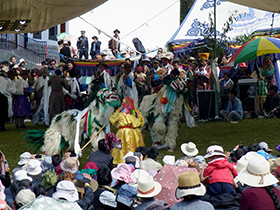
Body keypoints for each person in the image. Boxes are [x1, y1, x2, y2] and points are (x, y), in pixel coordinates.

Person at [111, 97, 145, 165]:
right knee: (134, 147)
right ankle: (136, 160)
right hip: (135, 132)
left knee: (122, 147)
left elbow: (113, 120)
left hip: (123, 132)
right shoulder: (136, 112)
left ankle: (121, 160)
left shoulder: (119, 111)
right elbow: (142, 122)